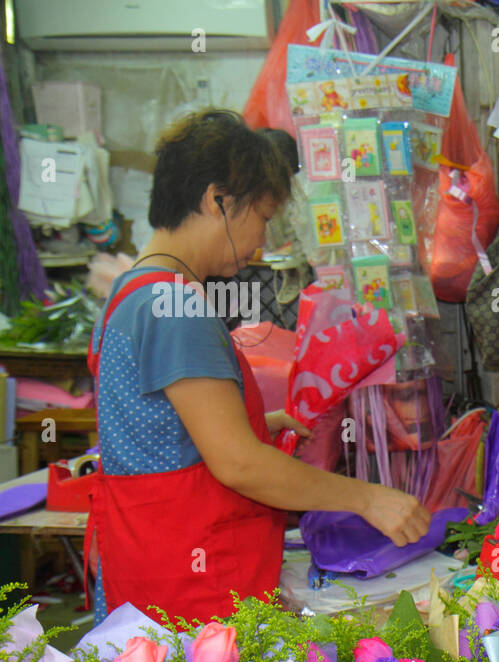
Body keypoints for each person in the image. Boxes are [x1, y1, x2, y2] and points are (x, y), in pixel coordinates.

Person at [88, 109, 429, 626]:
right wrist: (368, 499)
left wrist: (253, 424)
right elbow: (239, 465)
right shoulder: (175, 306)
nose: (262, 242)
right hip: (191, 584)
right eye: (263, 218)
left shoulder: (132, 290)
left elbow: (152, 429)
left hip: (147, 564)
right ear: (217, 200)